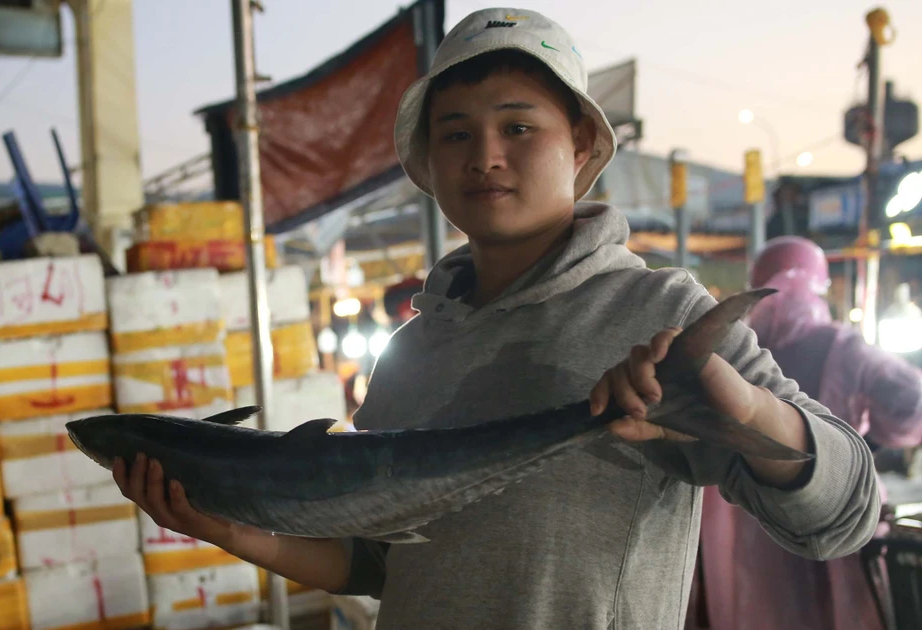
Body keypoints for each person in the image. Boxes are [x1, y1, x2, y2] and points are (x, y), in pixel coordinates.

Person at [112, 9, 881, 629]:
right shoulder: (412, 348)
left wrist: (738, 403)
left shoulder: (659, 312)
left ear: (580, 143)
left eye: (518, 127)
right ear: (431, 162)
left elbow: (845, 516)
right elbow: (382, 560)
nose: (485, 155)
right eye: (455, 134)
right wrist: (231, 529)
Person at [688, 236, 922, 630]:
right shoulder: (843, 346)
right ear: (820, 286)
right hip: (826, 528)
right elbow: (913, 407)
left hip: (739, 534)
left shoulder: (733, 350)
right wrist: (874, 432)